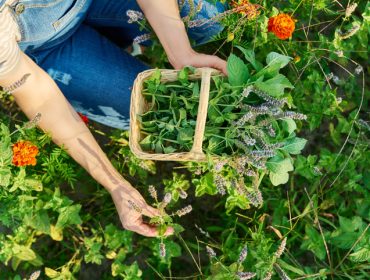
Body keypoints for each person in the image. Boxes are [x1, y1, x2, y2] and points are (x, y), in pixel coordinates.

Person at [0, 0, 228, 237]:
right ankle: (112, 46)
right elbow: (39, 97)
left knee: (207, 18)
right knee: (154, 113)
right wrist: (116, 185)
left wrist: (182, 54)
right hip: (47, 48)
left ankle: (117, 39)